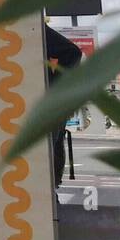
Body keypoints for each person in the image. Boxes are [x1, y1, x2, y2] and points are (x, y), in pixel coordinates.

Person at [45, 23, 83, 187]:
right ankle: (53, 187)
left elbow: (73, 53)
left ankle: (52, 188)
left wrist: (53, 87)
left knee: (50, 145)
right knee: (54, 143)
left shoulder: (30, 26)